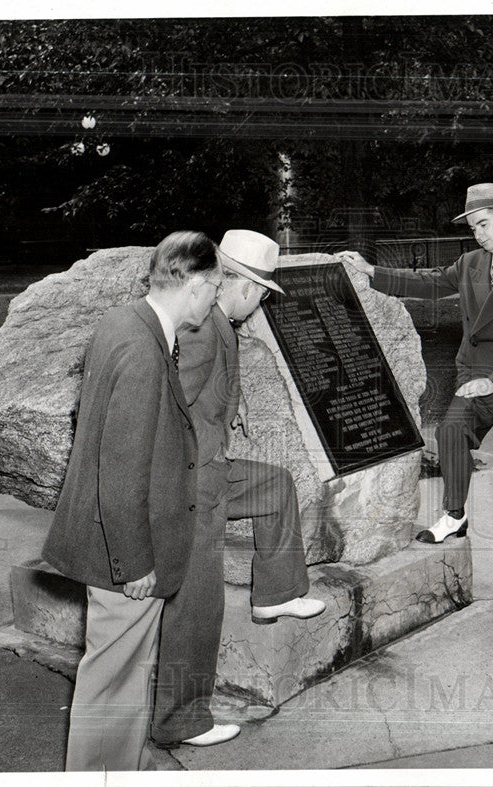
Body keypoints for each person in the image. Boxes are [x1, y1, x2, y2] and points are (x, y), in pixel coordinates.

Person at [42, 231, 222, 771]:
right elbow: (121, 471)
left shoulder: (124, 321)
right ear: (195, 284)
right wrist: (136, 563)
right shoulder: (146, 349)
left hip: (106, 540)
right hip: (123, 552)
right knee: (115, 683)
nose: (216, 300)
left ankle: (118, 769)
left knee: (120, 676)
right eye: (214, 288)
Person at [341, 183, 493, 604]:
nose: (478, 234)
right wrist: (372, 272)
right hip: (476, 373)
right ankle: (455, 514)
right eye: (473, 227)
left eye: (483, 224)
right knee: (450, 431)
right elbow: (427, 283)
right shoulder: (471, 263)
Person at [150, 229, 326, 750]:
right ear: (245, 288)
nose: (261, 304)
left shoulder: (219, 324)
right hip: (193, 480)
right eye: (263, 295)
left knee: (274, 485)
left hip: (209, 465)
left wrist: (228, 412)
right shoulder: (206, 330)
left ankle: (275, 594)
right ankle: (180, 720)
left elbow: (203, 393)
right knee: (197, 607)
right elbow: (166, 404)